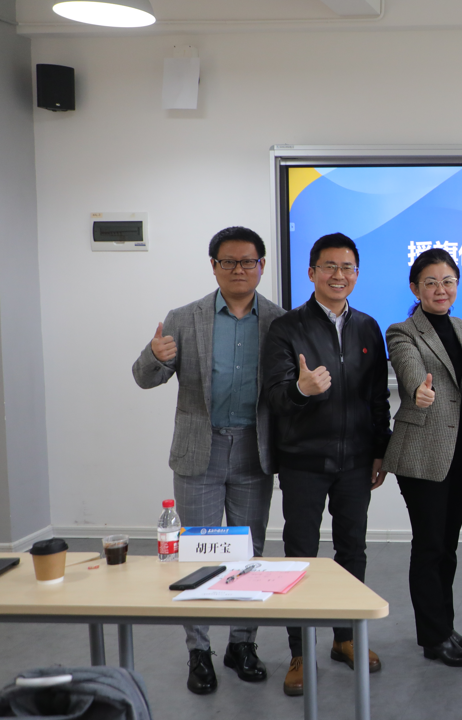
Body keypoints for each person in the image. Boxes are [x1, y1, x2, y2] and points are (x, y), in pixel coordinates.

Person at [132, 226, 284, 695]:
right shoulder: (184, 318)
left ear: (262, 266)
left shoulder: (279, 321)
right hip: (200, 449)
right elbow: (144, 377)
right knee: (195, 554)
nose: (239, 269)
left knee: (249, 554)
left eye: (248, 261)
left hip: (254, 451)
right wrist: (155, 356)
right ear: (214, 266)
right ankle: (199, 651)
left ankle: (243, 644)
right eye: (228, 261)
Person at [261, 233, 392, 697]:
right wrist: (302, 390)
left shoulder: (368, 327)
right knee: (300, 555)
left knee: (352, 550)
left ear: (357, 274)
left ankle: (345, 637)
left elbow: (378, 397)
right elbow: (275, 397)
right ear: (312, 272)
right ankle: (300, 652)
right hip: (303, 460)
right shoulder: (286, 327)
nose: (339, 276)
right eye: (330, 267)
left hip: (355, 460)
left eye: (347, 267)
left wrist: (380, 449)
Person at [383, 248, 462, 668]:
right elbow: (411, 371)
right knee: (429, 546)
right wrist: (418, 391)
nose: (440, 289)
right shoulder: (402, 331)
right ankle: (432, 638)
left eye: (448, 281)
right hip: (422, 451)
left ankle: (444, 627)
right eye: (430, 282)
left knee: (447, 547)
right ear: (415, 288)